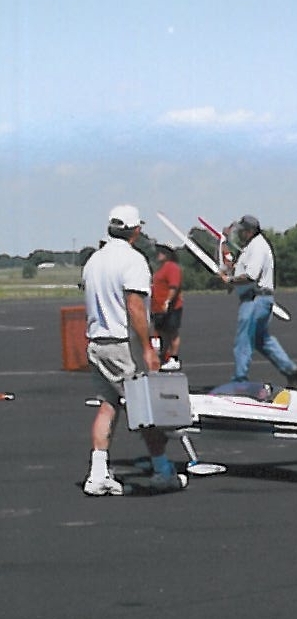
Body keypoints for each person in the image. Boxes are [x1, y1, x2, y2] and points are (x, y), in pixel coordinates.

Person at [81, 205, 183, 495]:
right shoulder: (133, 261)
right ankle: (163, 469)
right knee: (146, 410)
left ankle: (98, 472)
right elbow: (135, 307)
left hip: (96, 342)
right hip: (121, 345)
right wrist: (148, 347)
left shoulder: (94, 261)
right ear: (136, 230)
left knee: (108, 405)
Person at [221, 214, 297, 387]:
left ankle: (239, 379)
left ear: (249, 231)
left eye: (242, 231)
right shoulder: (252, 247)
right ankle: (289, 369)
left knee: (244, 340)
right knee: (262, 339)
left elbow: (251, 276)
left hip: (254, 300)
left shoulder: (257, 247)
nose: (240, 234)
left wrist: (229, 280)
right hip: (261, 299)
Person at [149, 242, 184, 372]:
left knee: (172, 332)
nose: (159, 254)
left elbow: (173, 286)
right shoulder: (161, 268)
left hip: (171, 307)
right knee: (163, 333)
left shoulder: (172, 267)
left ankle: (173, 358)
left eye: (162, 252)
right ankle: (165, 356)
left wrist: (168, 301)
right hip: (158, 307)